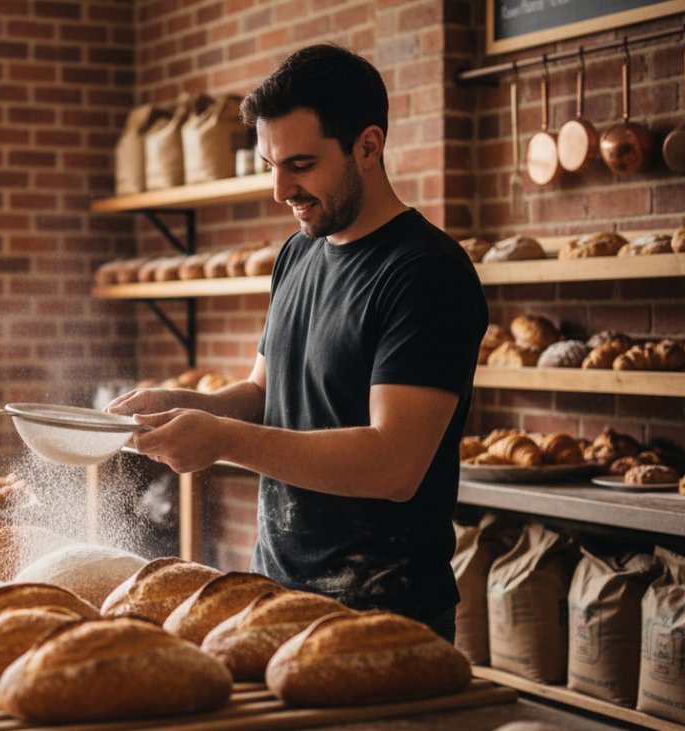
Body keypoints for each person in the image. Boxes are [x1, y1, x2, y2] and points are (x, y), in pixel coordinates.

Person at [107, 44, 488, 642]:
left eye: (302, 165)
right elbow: (265, 392)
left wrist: (223, 441)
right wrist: (185, 404)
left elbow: (395, 465)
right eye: (270, 165)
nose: (281, 190)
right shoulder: (299, 251)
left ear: (368, 145)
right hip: (276, 595)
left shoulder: (426, 272)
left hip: (384, 617)